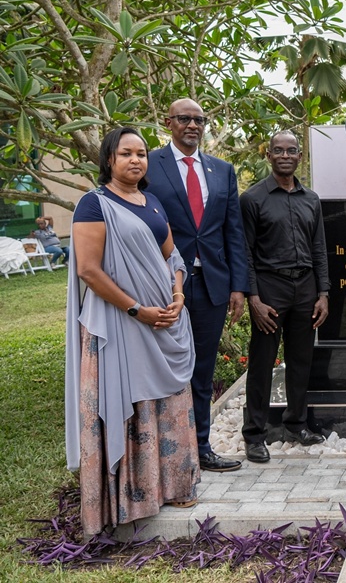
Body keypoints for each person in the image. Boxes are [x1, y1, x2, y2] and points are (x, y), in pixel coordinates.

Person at [66, 127, 198, 536]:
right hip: (121, 325)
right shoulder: (94, 204)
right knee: (134, 403)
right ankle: (132, 497)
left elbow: (171, 254)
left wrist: (177, 294)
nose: (136, 160)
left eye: (141, 153)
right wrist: (137, 309)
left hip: (165, 323)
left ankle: (174, 485)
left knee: (170, 403)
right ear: (109, 159)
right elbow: (89, 269)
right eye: (126, 153)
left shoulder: (152, 201)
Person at [145, 98, 248, 473]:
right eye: (184, 119)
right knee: (163, 366)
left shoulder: (222, 170)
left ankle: (200, 447)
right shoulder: (149, 165)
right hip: (162, 283)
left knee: (201, 369)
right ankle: (163, 450)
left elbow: (232, 232)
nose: (192, 125)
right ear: (168, 122)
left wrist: (239, 286)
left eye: (199, 119)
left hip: (212, 284)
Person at [240, 131, 331, 463]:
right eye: (278, 150)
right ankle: (254, 435)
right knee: (263, 362)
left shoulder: (311, 199)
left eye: (291, 150)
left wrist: (323, 293)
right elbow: (245, 253)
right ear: (269, 155)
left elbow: (319, 248)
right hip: (269, 289)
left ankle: (297, 424)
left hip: (305, 288)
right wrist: (253, 298)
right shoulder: (252, 199)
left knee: (301, 360)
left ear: (300, 156)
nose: (285, 155)